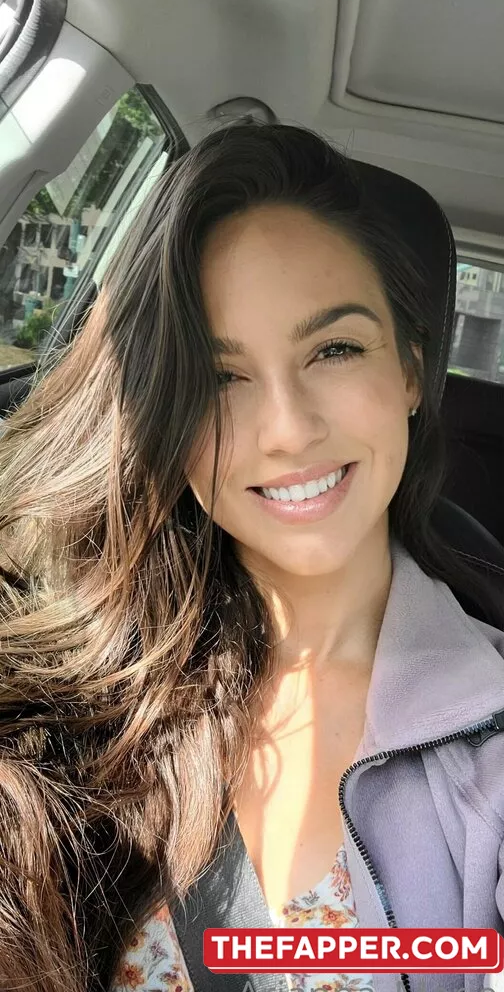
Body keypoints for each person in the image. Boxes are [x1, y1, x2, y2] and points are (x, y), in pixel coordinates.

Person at [0, 120, 503, 992]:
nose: (288, 431)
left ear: (411, 372)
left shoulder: (485, 742)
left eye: (335, 349)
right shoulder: (67, 679)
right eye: (220, 376)